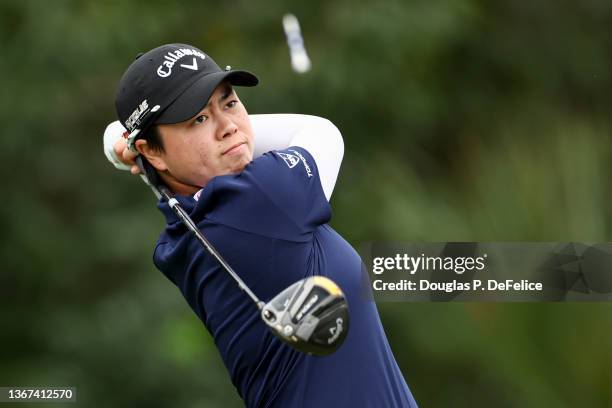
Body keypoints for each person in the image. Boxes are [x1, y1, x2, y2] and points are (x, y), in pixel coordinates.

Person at [104, 43, 418, 407]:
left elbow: (168, 152)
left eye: (230, 102)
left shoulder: (181, 230)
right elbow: (322, 132)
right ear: (153, 153)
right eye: (199, 119)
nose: (228, 127)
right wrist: (120, 142)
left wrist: (125, 143)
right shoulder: (265, 199)